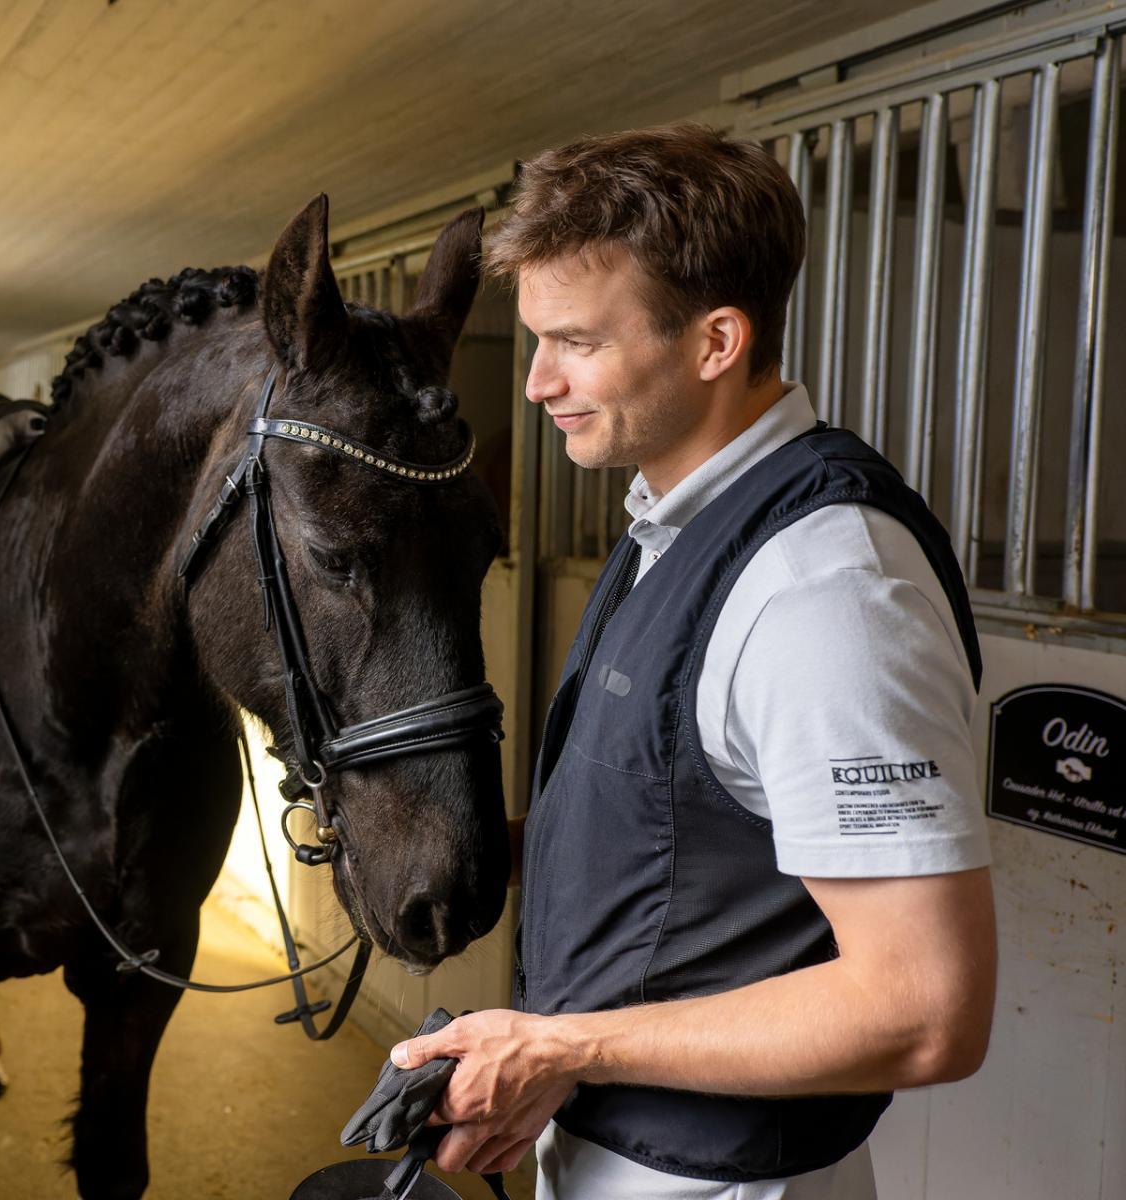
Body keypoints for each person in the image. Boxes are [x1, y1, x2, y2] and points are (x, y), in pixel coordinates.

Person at [388, 125, 997, 1199]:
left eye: (575, 340)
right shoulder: (679, 522)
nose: (534, 385)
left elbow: (924, 1010)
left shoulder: (825, 594)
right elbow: (698, 827)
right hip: (617, 1147)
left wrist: (562, 1049)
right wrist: (501, 850)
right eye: (536, 340)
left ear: (716, 342)